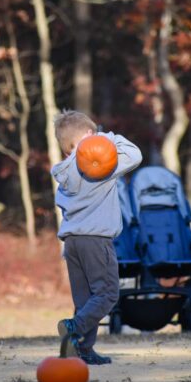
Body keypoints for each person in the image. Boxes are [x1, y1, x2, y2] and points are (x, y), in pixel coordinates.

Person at [52, 110, 142, 365]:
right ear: (90, 136)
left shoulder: (64, 173)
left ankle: (83, 350)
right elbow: (135, 155)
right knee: (107, 294)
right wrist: (107, 138)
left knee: (85, 298)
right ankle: (74, 327)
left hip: (72, 242)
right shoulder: (98, 165)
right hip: (96, 239)